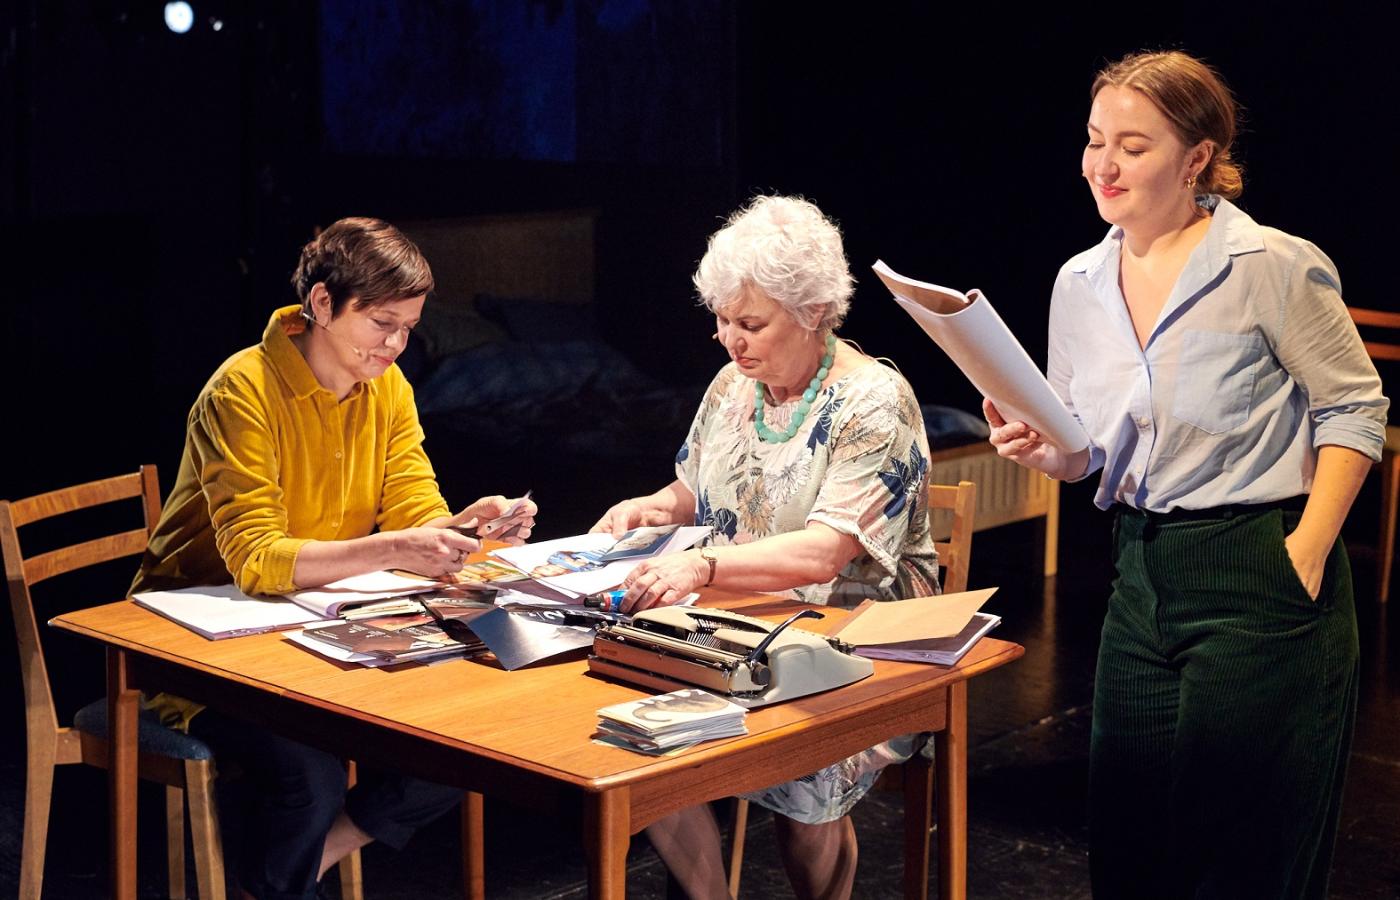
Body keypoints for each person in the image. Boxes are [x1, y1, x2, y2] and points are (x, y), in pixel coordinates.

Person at [984, 51, 1386, 899]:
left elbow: (1354, 411)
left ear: (1197, 157)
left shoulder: (1270, 264)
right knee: (1129, 847)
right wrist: (1043, 451)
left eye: (1133, 147)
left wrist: (1307, 551)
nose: (1104, 165)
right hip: (1142, 575)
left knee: (1238, 859)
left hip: (1258, 566)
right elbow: (1086, 450)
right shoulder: (1079, 281)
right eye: (1095, 140)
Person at [131, 216, 536, 900]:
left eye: (408, 328)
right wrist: (400, 547)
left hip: (319, 629)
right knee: (309, 775)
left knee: (471, 737)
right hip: (200, 649)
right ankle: (286, 880)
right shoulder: (242, 390)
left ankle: (286, 875)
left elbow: (412, 513)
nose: (396, 345)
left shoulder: (389, 387)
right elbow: (256, 559)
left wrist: (466, 529)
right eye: (382, 323)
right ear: (322, 303)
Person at [592, 195, 939, 899]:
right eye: (723, 320)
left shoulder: (874, 400)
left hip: (859, 636)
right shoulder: (733, 384)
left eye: (750, 324)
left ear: (814, 311)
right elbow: (694, 486)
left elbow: (825, 553)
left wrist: (700, 564)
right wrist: (651, 508)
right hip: (738, 618)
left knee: (803, 768)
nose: (730, 340)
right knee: (636, 728)